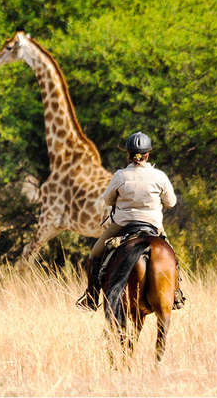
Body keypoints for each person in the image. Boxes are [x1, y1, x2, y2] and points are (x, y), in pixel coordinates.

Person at [76, 132, 185, 310]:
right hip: (153, 226)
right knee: (172, 255)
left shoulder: (120, 176)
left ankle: (92, 297)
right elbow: (171, 202)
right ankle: (176, 293)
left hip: (123, 225)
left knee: (95, 254)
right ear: (147, 154)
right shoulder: (159, 176)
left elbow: (108, 200)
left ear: (128, 154)